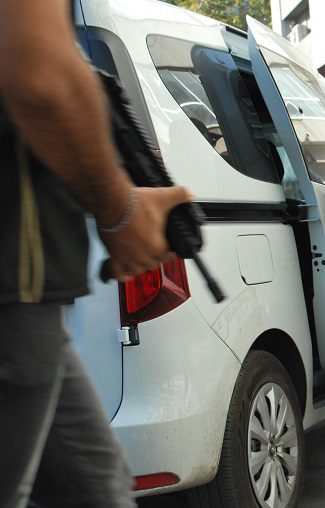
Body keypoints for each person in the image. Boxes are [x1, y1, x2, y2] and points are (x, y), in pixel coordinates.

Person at [0, 1, 191, 506]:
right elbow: (41, 71)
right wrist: (120, 209)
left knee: (96, 486)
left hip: (27, 280)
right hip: (15, 269)